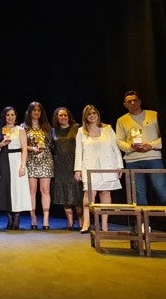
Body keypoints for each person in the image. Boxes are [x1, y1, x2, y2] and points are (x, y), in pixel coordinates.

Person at [74, 104, 123, 233]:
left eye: (94, 113)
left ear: (98, 114)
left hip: (108, 166)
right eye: (89, 114)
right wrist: (77, 170)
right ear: (85, 116)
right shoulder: (81, 131)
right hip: (90, 167)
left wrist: (119, 166)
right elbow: (78, 152)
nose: (92, 116)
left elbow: (115, 148)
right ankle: (86, 223)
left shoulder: (108, 129)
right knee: (89, 195)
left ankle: (104, 225)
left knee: (106, 194)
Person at [115, 90, 166, 205]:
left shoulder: (154, 115)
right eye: (129, 101)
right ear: (125, 104)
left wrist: (151, 145)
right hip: (133, 161)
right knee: (138, 194)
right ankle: (143, 222)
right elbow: (118, 141)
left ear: (140, 101)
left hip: (153, 158)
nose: (133, 103)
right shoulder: (121, 120)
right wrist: (131, 147)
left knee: (161, 189)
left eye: (135, 100)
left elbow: (163, 137)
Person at [0, 106, 31, 230]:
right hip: (3, 160)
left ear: (16, 116)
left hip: (16, 159)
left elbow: (24, 149)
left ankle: (16, 216)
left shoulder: (20, 130)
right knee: (6, 189)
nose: (10, 117)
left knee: (17, 189)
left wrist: (22, 165)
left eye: (12, 115)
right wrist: (1, 144)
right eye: (8, 115)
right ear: (4, 116)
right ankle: (9, 216)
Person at [22, 101, 54, 230]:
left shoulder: (47, 127)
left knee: (45, 190)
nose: (36, 112)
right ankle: (33, 217)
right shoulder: (23, 128)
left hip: (46, 160)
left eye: (38, 110)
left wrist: (43, 147)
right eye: (34, 110)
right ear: (29, 112)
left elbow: (51, 144)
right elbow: (21, 146)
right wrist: (31, 148)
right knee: (32, 191)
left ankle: (46, 219)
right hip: (31, 160)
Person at [51, 107, 83, 230]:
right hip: (60, 166)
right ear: (57, 118)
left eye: (65, 115)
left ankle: (81, 222)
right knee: (65, 196)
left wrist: (79, 168)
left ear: (68, 116)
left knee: (77, 195)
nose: (63, 117)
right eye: (60, 115)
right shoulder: (53, 131)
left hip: (74, 165)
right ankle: (70, 222)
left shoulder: (76, 128)